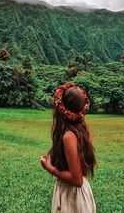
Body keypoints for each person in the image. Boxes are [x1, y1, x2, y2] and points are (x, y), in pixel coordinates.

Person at [40, 82, 97, 213]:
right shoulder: (81, 127)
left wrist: (50, 168)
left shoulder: (69, 136)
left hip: (72, 197)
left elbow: (77, 180)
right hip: (79, 194)